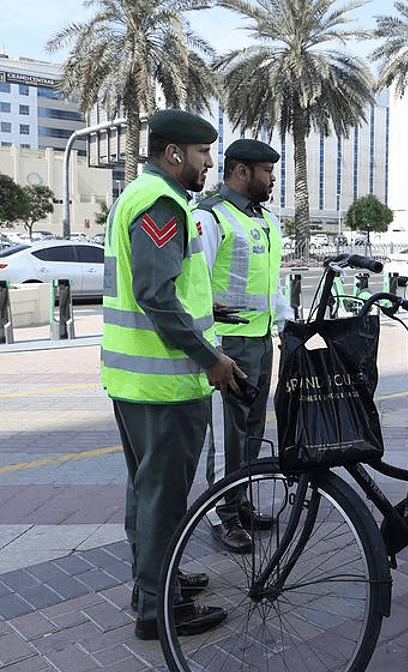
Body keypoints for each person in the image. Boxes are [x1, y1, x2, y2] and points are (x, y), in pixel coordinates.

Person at [102, 109, 244, 640]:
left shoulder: (139, 195)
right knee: (161, 500)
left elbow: (168, 289)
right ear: (175, 154)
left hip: (135, 382)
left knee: (148, 493)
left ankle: (157, 584)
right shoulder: (161, 203)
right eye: (204, 153)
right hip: (164, 385)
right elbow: (155, 295)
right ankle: (157, 610)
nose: (210, 162)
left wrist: (210, 311)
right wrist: (210, 358)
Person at [194, 139, 290, 552]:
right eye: (267, 172)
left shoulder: (265, 220)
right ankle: (222, 515)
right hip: (228, 344)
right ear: (241, 171)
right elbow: (198, 287)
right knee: (228, 435)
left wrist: (286, 326)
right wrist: (212, 349)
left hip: (260, 340)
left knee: (252, 431)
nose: (272, 180)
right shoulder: (212, 217)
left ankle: (241, 501)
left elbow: (273, 283)